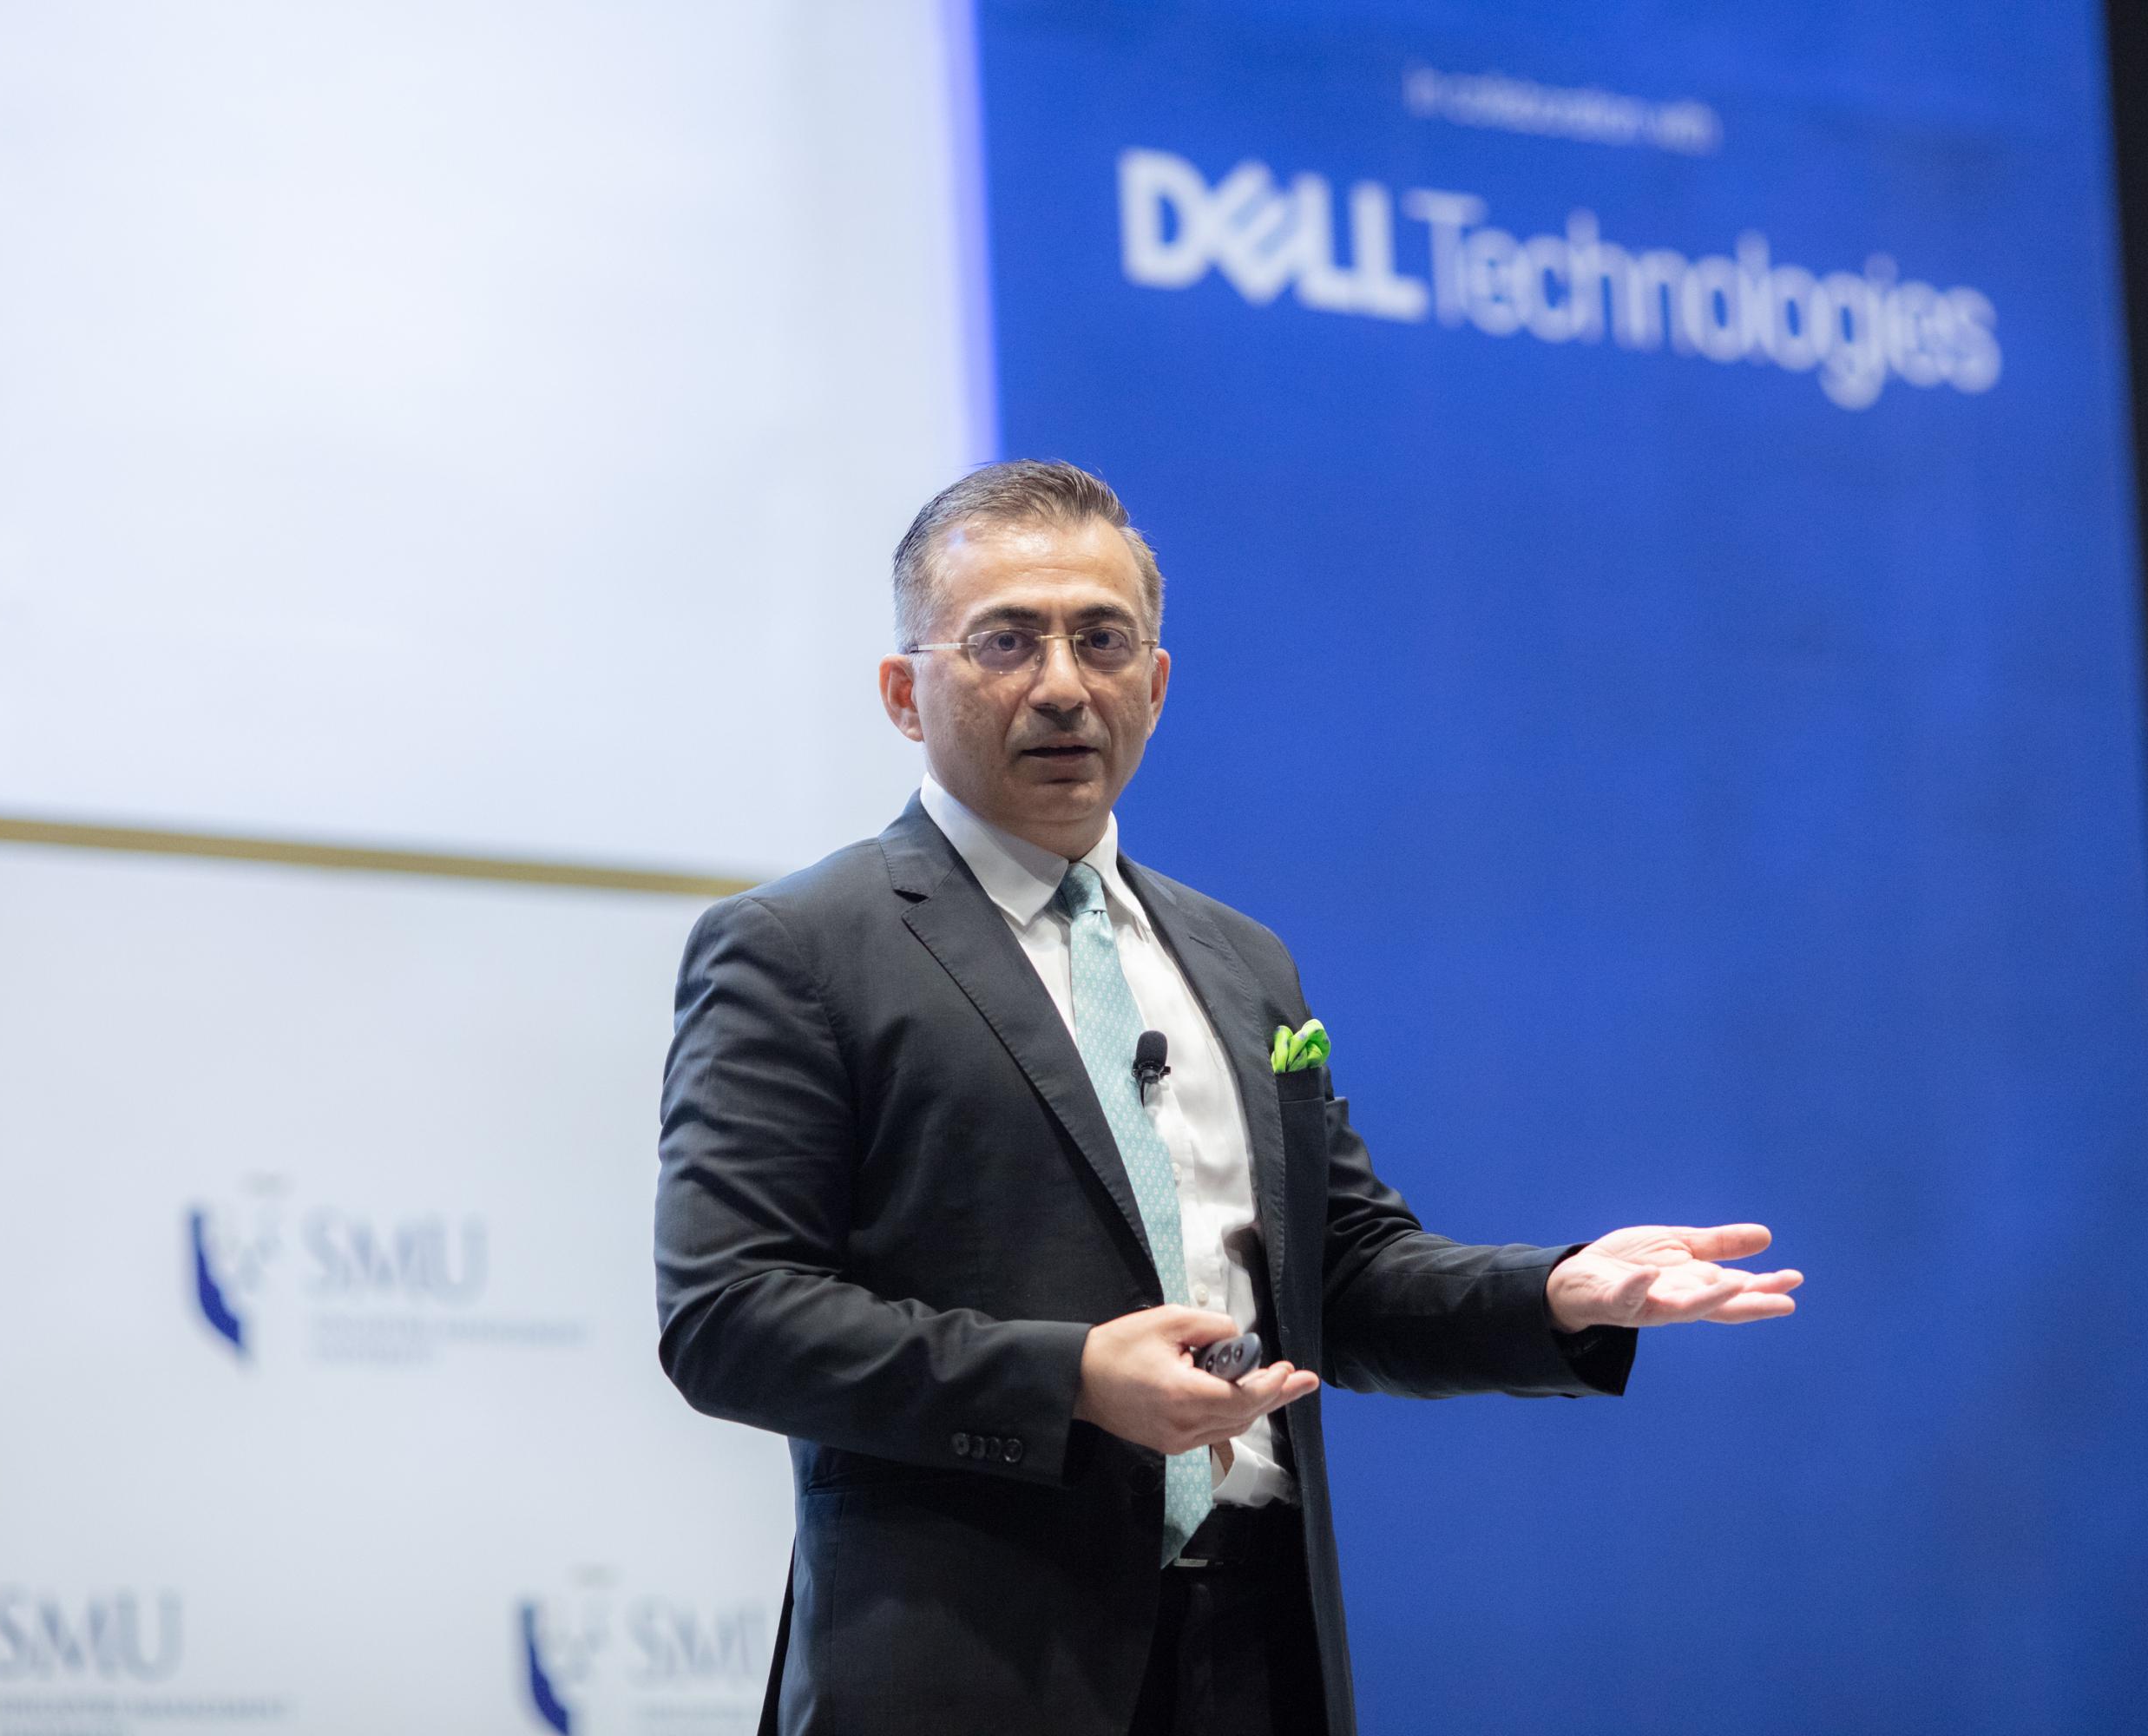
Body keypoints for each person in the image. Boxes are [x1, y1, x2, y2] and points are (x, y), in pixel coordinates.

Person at [654, 460, 1803, 1736]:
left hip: (1258, 1648)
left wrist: (1558, 1292)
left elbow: (1340, 1280)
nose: (1061, 685)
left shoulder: (1240, 961)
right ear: (901, 693)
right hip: (974, 1661)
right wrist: (1072, 1379)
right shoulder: (802, 947)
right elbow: (729, 1315)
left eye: (1101, 641)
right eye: (1005, 641)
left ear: (1155, 684)